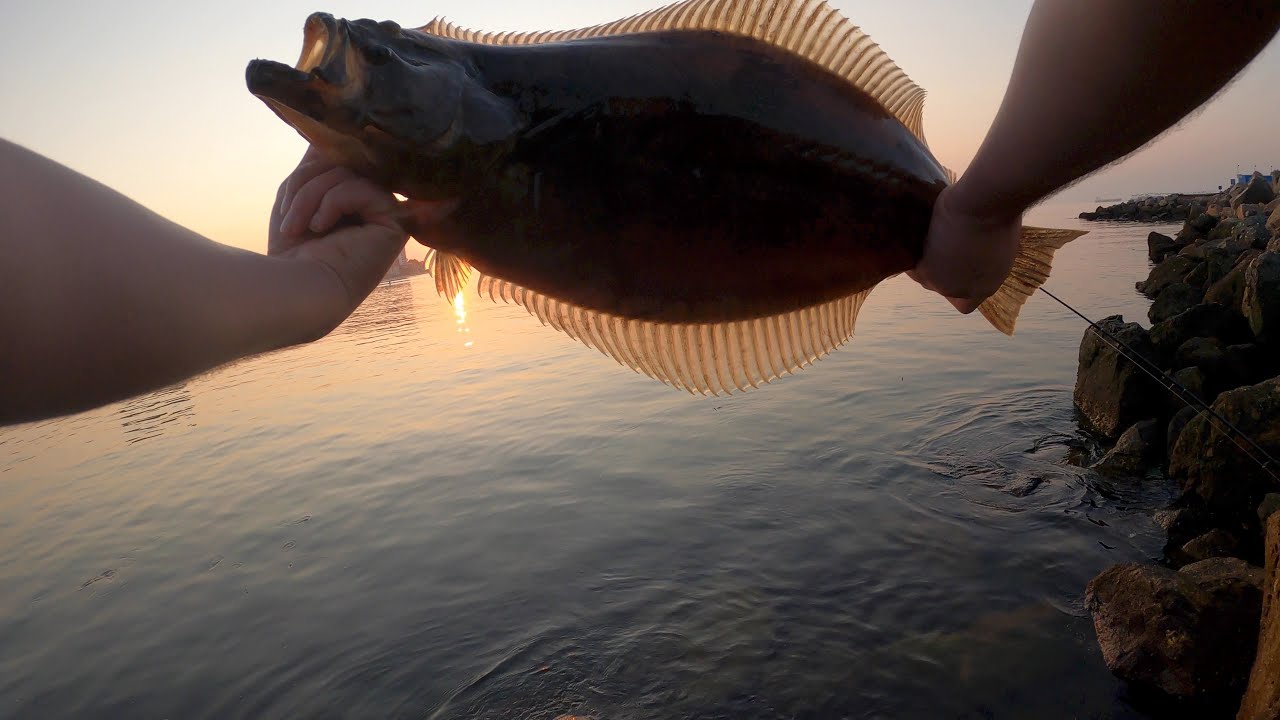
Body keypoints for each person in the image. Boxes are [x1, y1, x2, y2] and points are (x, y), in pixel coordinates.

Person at [3, 0, 1278, 426]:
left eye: (382, 48)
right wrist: (980, 209)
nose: (348, 54)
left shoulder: (474, 163)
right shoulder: (464, 178)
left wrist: (967, 205)